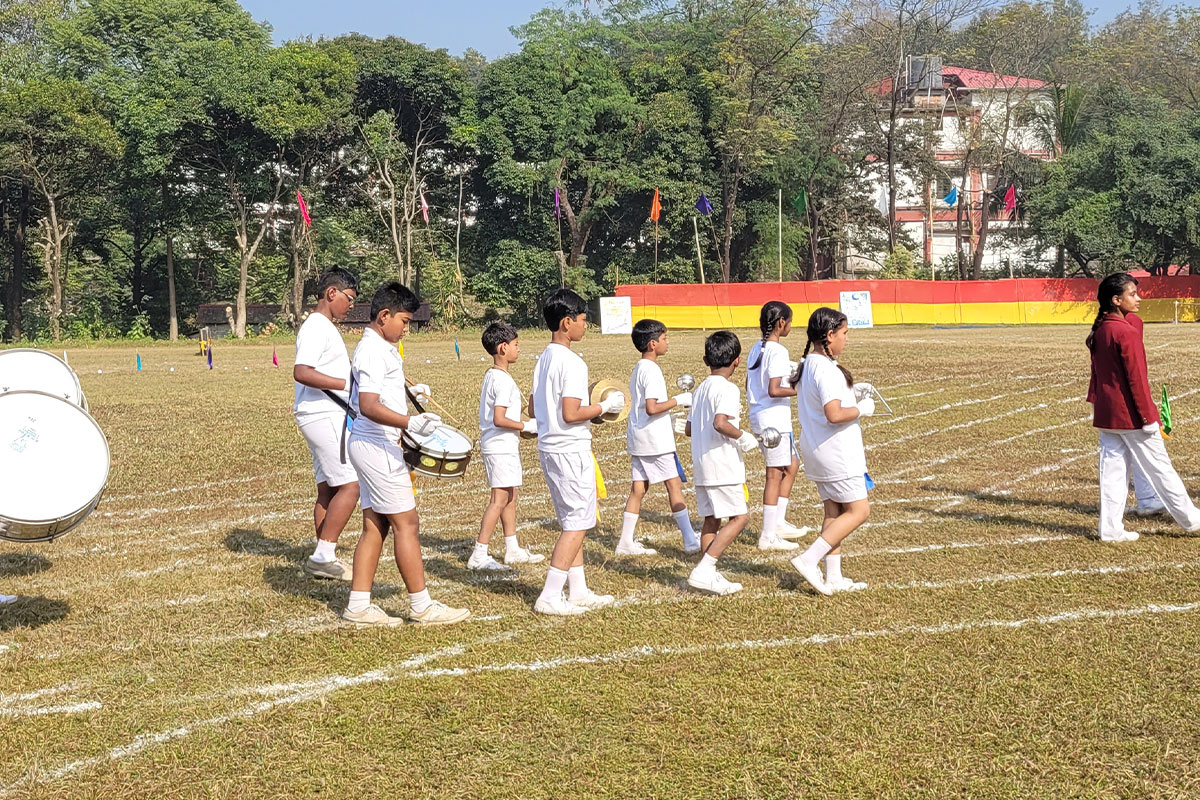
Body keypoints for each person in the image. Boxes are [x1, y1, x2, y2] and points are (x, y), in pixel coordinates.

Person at [341, 282, 470, 626]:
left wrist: (411, 394)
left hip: (372, 444)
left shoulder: (379, 347)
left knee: (376, 525)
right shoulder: (372, 351)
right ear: (384, 316)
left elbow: (381, 391)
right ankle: (422, 605)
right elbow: (368, 405)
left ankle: (358, 605)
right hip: (377, 446)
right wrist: (409, 422)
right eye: (405, 321)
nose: (406, 329)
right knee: (407, 523)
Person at [1086, 272, 1200, 541]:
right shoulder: (1125, 332)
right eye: (1132, 294)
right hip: (1131, 417)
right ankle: (1192, 520)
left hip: (1107, 414)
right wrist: (1149, 418)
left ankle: (1110, 530)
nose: (1139, 298)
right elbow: (1137, 380)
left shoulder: (1101, 329)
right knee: (1161, 468)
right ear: (1116, 300)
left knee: (1112, 473)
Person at [530, 288, 623, 615]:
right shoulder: (572, 362)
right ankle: (550, 595)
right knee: (576, 524)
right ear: (567, 322)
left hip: (550, 447)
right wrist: (604, 406)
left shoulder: (543, 358)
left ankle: (578, 590)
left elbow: (534, 408)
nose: (586, 325)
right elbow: (571, 413)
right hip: (570, 449)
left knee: (574, 520)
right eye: (583, 320)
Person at [790, 307, 874, 596]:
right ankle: (808, 558)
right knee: (859, 511)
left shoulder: (810, 364)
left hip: (817, 449)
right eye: (844, 333)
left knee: (834, 512)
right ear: (829, 335)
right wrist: (861, 408)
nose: (847, 339)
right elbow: (834, 414)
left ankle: (834, 577)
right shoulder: (826, 369)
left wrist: (852, 392)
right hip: (836, 452)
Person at [292, 267, 360, 581]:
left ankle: (324, 554)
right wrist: (345, 383)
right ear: (331, 293)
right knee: (351, 484)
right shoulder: (317, 326)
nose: (351, 306)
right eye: (349, 299)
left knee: (329, 488)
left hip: (320, 412)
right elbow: (302, 371)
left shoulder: (324, 326)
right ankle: (323, 556)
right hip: (323, 413)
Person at [685, 331, 758, 596]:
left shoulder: (700, 389)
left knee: (711, 519)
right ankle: (705, 568)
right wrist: (743, 436)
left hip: (702, 464)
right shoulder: (728, 389)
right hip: (722, 465)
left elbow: (689, 429)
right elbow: (720, 423)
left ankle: (708, 573)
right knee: (740, 517)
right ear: (737, 360)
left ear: (706, 360)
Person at [618, 319, 698, 556]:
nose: (667, 342)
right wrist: (678, 400)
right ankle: (689, 539)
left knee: (638, 489)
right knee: (674, 486)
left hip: (640, 437)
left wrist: (668, 418)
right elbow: (652, 407)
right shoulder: (651, 370)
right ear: (652, 344)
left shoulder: (639, 368)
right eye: (664, 338)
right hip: (655, 442)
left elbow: (645, 408)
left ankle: (625, 541)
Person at [471, 322, 544, 570]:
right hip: (499, 445)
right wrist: (526, 426)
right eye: (515, 344)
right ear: (503, 348)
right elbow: (499, 419)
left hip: (504, 444)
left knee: (511, 495)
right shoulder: (500, 380)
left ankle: (512, 549)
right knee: (499, 499)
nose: (518, 349)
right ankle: (479, 554)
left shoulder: (496, 375)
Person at [745, 301, 808, 552]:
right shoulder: (777, 350)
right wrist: (800, 389)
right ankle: (768, 535)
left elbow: (752, 383)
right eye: (790, 322)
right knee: (774, 474)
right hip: (773, 421)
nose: (791, 326)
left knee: (792, 464)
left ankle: (778, 522)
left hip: (762, 416)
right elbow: (773, 389)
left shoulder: (756, 348)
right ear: (782, 322)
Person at [1123, 311, 1168, 517]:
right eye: (1132, 295)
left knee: (1116, 456)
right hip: (1126, 402)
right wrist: (1148, 412)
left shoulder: (1104, 323)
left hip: (1112, 402)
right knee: (1153, 454)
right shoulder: (1130, 322)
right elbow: (1134, 369)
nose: (1138, 298)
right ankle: (1187, 515)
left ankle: (1146, 499)